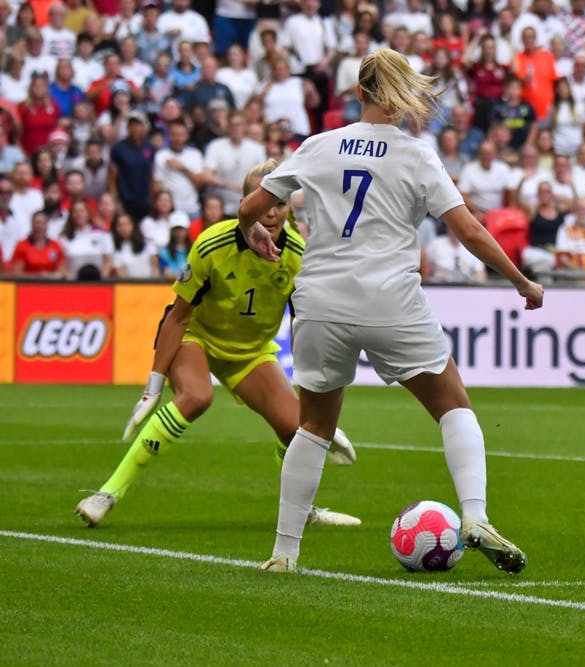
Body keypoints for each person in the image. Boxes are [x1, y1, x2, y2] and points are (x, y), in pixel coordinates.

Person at [237, 48, 543, 574]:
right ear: (403, 98)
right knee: (453, 404)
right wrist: (520, 280)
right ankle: (474, 516)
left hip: (320, 300)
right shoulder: (415, 155)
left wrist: (253, 235)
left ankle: (284, 554)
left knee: (313, 426)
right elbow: (467, 229)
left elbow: (250, 208)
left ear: (358, 94)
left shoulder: (317, 146)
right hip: (389, 299)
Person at [75, 160, 359, 529]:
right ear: (245, 203)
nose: (271, 213)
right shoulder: (213, 243)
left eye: (280, 204)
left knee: (297, 431)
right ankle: (107, 494)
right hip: (198, 337)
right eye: (262, 202)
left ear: (290, 208)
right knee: (196, 397)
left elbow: (303, 326)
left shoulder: (298, 257)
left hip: (250, 353)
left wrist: (318, 415)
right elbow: (177, 317)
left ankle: (301, 512)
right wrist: (152, 389)